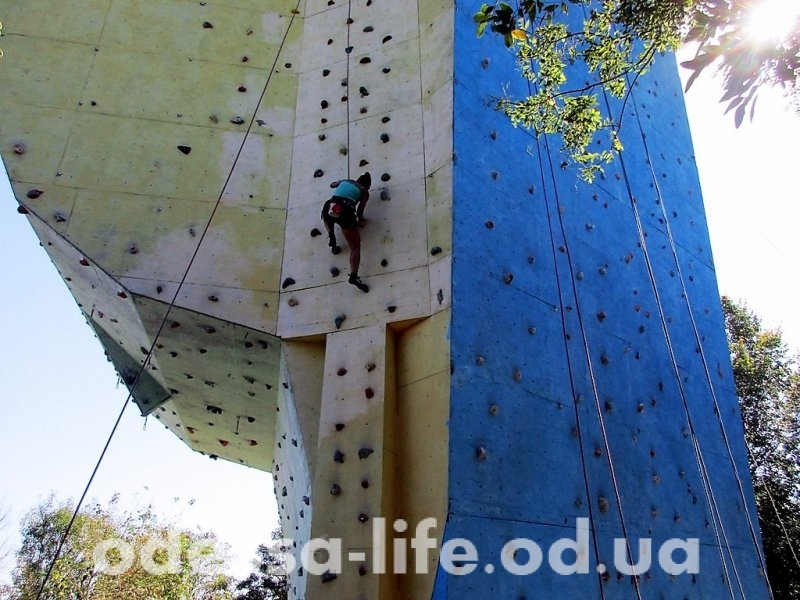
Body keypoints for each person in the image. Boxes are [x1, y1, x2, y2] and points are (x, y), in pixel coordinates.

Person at [321, 172, 371, 293]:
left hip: (331, 205)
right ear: (367, 186)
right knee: (355, 246)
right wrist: (361, 220)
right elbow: (360, 209)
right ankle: (354, 276)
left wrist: (339, 183)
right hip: (346, 211)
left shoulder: (346, 181)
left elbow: (332, 184)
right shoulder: (364, 190)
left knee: (326, 213)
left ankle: (331, 235)